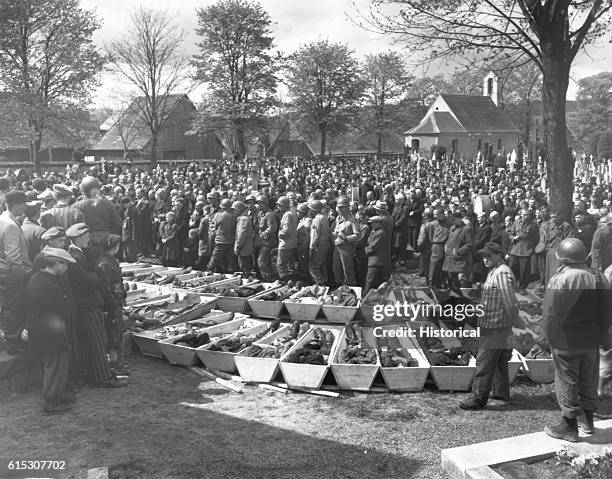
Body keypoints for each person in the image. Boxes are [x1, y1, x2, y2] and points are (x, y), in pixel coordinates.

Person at [543, 238, 611, 441]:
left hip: (565, 341)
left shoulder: (559, 279)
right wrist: (604, 338)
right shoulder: (599, 278)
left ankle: (569, 426)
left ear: (563, 258)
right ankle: (588, 422)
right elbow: (607, 312)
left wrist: (549, 337)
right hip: (591, 340)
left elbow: (550, 313)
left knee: (567, 381)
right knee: (588, 379)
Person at [66, 223, 126, 388]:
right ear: (77, 238)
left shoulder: (79, 254)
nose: (88, 239)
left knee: (95, 341)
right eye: (85, 237)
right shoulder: (74, 257)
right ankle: (103, 378)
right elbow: (89, 281)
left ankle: (98, 373)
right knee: (97, 341)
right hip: (87, 305)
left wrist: (93, 278)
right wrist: (93, 278)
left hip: (89, 303)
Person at [460, 242, 519, 410]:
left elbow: (510, 301)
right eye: (484, 256)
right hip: (492, 321)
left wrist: (514, 323)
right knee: (499, 358)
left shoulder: (502, 273)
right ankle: (500, 392)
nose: (485, 259)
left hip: (496, 324)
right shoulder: (494, 271)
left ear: (499, 256)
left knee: (484, 360)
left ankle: (478, 397)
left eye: (489, 256)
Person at [25, 247, 77, 413]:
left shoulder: (37, 278)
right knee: (55, 366)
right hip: (50, 333)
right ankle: (51, 401)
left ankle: (57, 394)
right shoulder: (49, 286)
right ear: (56, 264)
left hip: (43, 331)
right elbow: (57, 312)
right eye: (65, 264)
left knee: (56, 365)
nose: (67, 268)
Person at [0, 190, 32, 354]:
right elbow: (13, 257)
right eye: (24, 204)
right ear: (17, 205)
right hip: (12, 274)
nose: (26, 207)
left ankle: (11, 339)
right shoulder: (11, 225)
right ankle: (13, 343)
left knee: (7, 307)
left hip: (3, 272)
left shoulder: (2, 220)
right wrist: (23, 276)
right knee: (14, 307)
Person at [96, 235, 128, 377]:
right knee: (112, 335)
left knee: (117, 333)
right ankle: (113, 364)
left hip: (116, 302)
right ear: (115, 247)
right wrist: (113, 304)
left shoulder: (110, 261)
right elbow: (104, 289)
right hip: (111, 305)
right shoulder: (105, 264)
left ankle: (117, 362)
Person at [74, 176, 122, 258]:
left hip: (86, 239)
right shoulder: (108, 203)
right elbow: (117, 223)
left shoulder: (77, 206)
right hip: (106, 238)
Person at [507, 208, 539, 293]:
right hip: (515, 250)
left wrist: (530, 247)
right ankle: (512, 286)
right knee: (513, 268)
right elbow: (510, 234)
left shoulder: (533, 225)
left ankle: (522, 288)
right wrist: (513, 238)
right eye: (524, 214)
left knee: (524, 272)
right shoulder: (516, 223)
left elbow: (536, 239)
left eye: (527, 215)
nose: (525, 216)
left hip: (525, 251)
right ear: (521, 214)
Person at [443, 212, 474, 292]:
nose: (452, 221)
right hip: (450, 259)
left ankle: (466, 299)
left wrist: (458, 252)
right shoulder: (452, 228)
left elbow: (469, 244)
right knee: (453, 281)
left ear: (459, 219)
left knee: (462, 281)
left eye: (454, 219)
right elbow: (449, 240)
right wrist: (446, 247)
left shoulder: (467, 229)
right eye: (451, 219)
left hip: (461, 260)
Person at [332, 196, 360, 286]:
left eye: (341, 207)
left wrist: (347, 238)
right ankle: (339, 286)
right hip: (337, 246)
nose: (338, 209)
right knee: (336, 268)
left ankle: (351, 287)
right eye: (338, 207)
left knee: (348, 269)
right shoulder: (338, 219)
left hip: (347, 247)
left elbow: (357, 235)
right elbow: (336, 230)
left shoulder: (353, 220)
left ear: (347, 207)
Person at [208, 198, 236, 273]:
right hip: (231, 240)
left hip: (220, 240)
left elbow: (215, 226)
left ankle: (210, 269)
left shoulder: (219, 216)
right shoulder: (234, 216)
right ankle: (230, 271)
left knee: (215, 257)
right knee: (230, 258)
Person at [254, 194, 277, 282]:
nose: (258, 205)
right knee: (264, 262)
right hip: (261, 241)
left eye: (260, 204)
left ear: (265, 204)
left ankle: (268, 280)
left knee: (262, 262)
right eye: (258, 203)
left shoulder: (270, 214)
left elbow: (272, 228)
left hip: (267, 242)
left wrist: (263, 234)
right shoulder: (261, 214)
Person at [364, 216, 388, 296]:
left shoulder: (380, 233)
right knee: (375, 282)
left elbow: (372, 247)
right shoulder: (375, 231)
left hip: (375, 261)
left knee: (369, 282)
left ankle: (365, 298)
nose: (371, 225)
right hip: (375, 260)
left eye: (373, 223)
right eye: (370, 223)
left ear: (378, 223)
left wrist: (365, 250)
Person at [309, 199, 331, 285]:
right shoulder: (325, 217)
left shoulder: (317, 219)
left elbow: (315, 236)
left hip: (319, 245)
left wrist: (312, 248)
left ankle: (321, 284)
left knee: (313, 268)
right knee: (322, 266)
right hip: (325, 243)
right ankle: (325, 282)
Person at [276, 196, 297, 282]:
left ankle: (285, 282)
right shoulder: (293, 212)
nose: (278, 207)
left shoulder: (287, 214)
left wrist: (280, 235)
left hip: (285, 243)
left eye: (280, 205)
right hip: (292, 242)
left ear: (285, 206)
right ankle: (292, 281)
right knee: (289, 265)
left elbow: (287, 230)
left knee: (281, 265)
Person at [428, 208, 450, 288]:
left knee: (447, 268)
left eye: (436, 214)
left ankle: (446, 285)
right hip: (436, 246)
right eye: (434, 214)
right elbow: (430, 237)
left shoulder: (449, 223)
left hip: (447, 246)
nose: (434, 216)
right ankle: (433, 286)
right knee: (434, 268)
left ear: (442, 214)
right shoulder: (432, 224)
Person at [233, 201, 254, 275]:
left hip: (244, 248)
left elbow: (242, 235)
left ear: (239, 210)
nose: (233, 211)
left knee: (245, 267)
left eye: (235, 210)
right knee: (244, 266)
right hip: (244, 247)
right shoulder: (242, 218)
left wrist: (238, 246)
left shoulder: (243, 219)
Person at [417, 208, 434, 284]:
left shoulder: (425, 225)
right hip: (434, 248)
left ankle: (428, 284)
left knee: (426, 268)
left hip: (426, 248)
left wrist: (419, 247)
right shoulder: (436, 223)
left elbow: (422, 239)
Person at [296, 202, 312, 283]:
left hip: (304, 244)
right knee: (302, 263)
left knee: (305, 263)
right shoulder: (302, 220)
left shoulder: (307, 220)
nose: (297, 213)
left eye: (299, 211)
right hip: (300, 244)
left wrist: (305, 245)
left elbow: (307, 234)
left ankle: (307, 280)